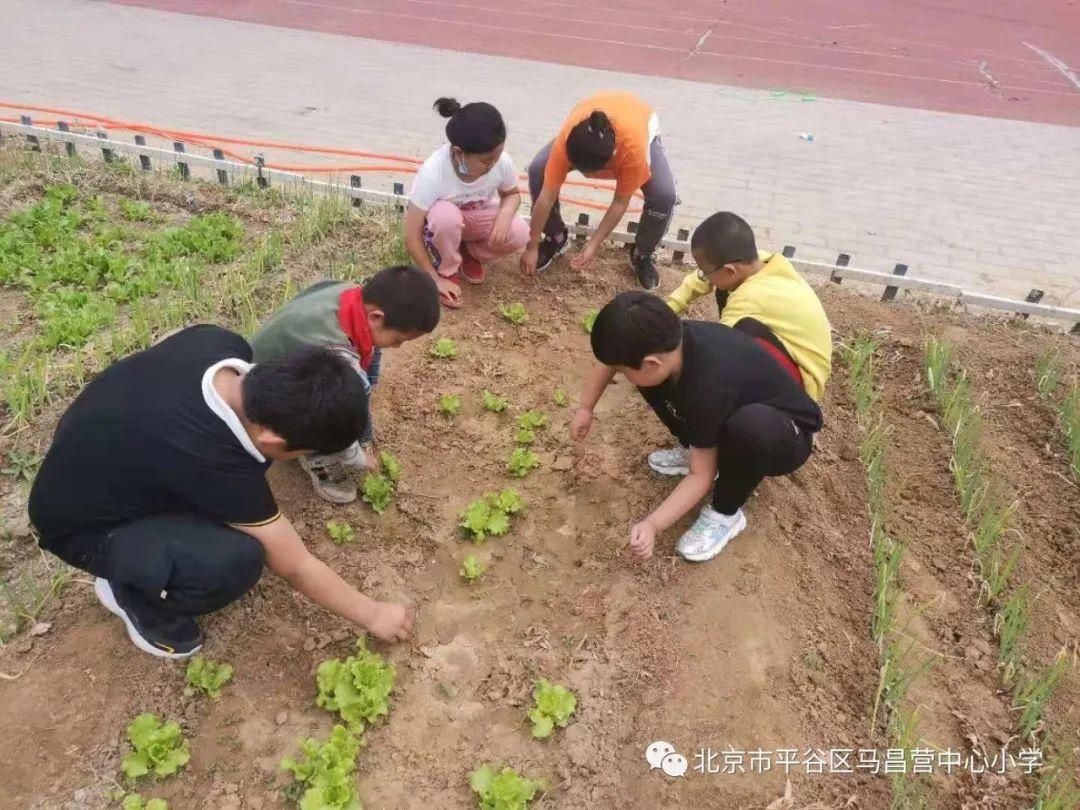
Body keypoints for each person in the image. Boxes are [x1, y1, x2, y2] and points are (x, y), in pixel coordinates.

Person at [27, 326, 415, 659]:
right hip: (79, 525)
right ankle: (130, 591)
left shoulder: (222, 345)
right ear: (274, 438)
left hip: (89, 451)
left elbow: (170, 341)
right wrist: (372, 614)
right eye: (302, 452)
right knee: (237, 559)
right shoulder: (210, 461)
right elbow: (295, 564)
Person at [571, 292, 822, 563]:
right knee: (650, 382)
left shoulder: (706, 386)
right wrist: (586, 407)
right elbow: (613, 361)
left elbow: (700, 477)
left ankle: (726, 513)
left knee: (750, 428)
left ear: (652, 362)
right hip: (729, 403)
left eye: (622, 370)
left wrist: (653, 525)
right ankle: (697, 446)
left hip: (786, 435)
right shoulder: (667, 344)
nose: (618, 373)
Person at [653, 211, 833, 476]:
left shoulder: (751, 299)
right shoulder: (761, 262)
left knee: (698, 378)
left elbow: (716, 350)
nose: (703, 277)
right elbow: (696, 281)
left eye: (706, 273)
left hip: (798, 390)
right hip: (783, 352)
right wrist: (669, 309)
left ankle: (709, 450)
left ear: (730, 269)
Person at [250, 265, 439, 504]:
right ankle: (319, 460)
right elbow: (333, 408)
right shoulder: (335, 352)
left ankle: (359, 397)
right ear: (377, 316)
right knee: (330, 414)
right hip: (262, 392)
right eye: (398, 339)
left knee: (371, 345)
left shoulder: (350, 293)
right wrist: (356, 456)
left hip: (276, 359)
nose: (398, 346)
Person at [522, 91, 677, 290]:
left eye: (591, 172)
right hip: (592, 122)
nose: (587, 177)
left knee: (663, 194)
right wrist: (531, 246)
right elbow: (546, 197)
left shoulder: (632, 151)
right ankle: (556, 238)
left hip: (640, 122)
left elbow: (620, 202)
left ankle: (642, 254)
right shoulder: (568, 140)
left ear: (611, 157)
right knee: (538, 170)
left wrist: (593, 244)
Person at [405, 97, 530, 308]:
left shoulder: (501, 162)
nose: (492, 165)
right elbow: (411, 236)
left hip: (474, 218)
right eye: (485, 161)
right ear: (458, 153)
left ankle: (468, 253)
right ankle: (446, 267)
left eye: (497, 157)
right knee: (446, 218)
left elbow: (512, 194)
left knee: (519, 232)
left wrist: (505, 215)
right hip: (443, 224)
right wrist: (434, 281)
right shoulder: (433, 173)